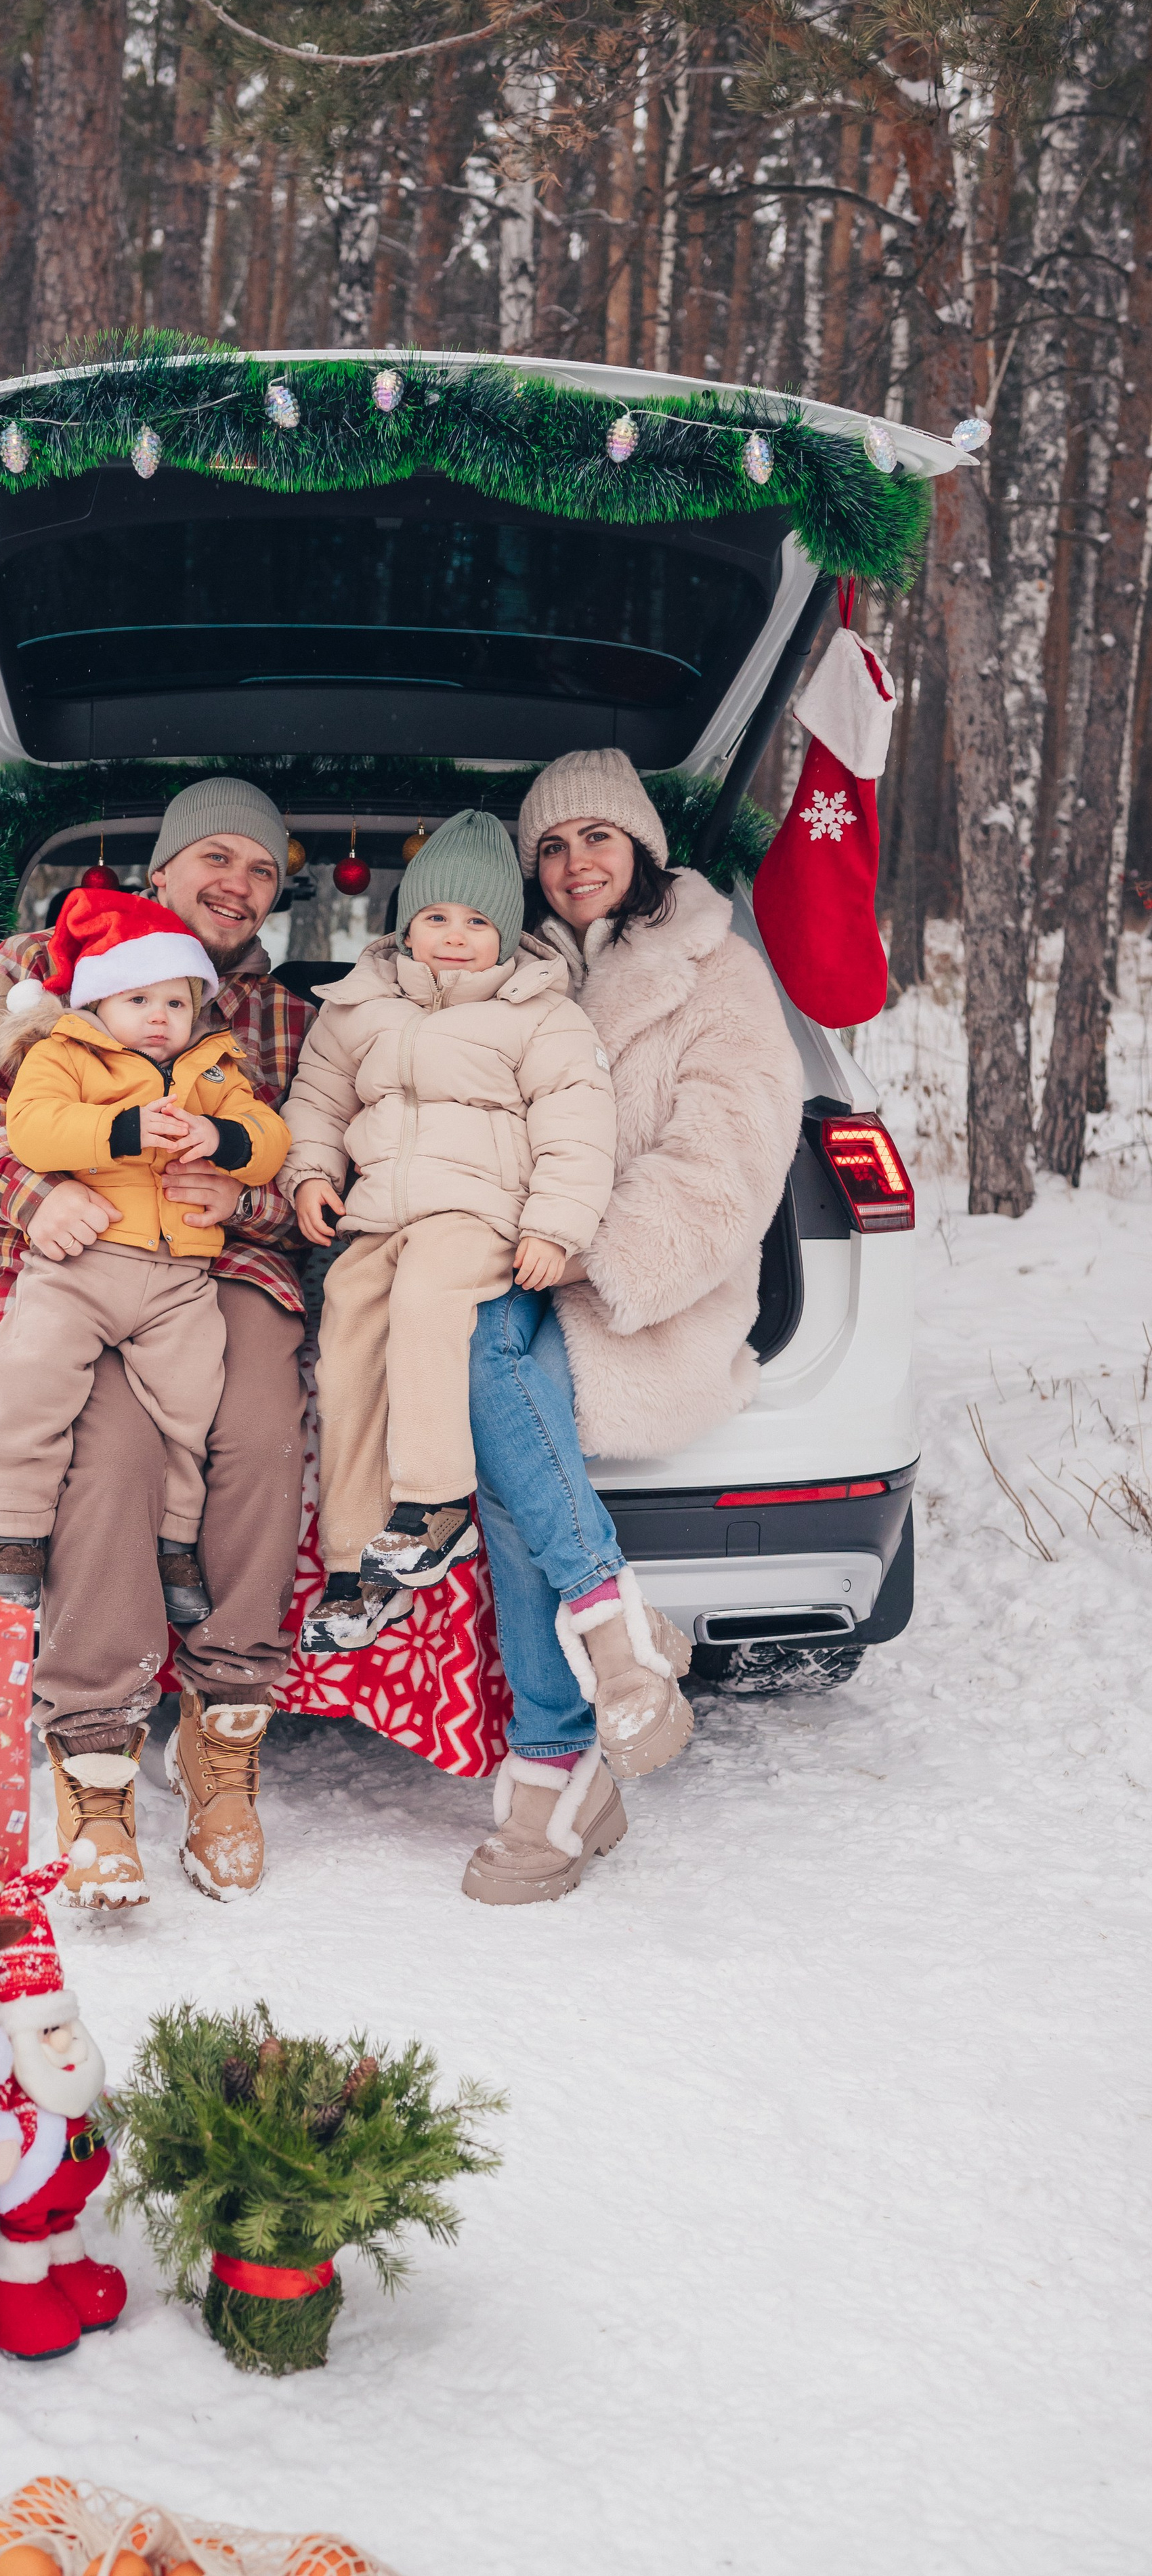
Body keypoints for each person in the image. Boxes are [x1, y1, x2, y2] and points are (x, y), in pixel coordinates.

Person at [0, 777, 312, 1911]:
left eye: (262, 872)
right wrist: (30, 1192)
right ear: (164, 867)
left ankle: (224, 1734)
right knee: (114, 1454)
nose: (237, 885)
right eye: (218, 859)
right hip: (63, 1252)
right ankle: (95, 1757)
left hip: (214, 1263)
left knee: (254, 1423)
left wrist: (245, 1194)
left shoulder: (278, 1016)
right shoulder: (42, 959)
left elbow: (312, 1167)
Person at [461, 748, 804, 1906]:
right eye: (549, 848)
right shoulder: (503, 975)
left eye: (595, 838)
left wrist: (599, 1256)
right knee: (485, 1363)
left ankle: (557, 1758)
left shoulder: (718, 969)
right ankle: (614, 1635)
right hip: (509, 1260)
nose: (573, 865)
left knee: (515, 1447)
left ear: (643, 845)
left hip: (651, 1286)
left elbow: (734, 1154)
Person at [278, 809, 616, 1651]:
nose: (455, 938)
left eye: (476, 922)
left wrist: (555, 1228)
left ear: (504, 934)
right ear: (405, 926)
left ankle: (432, 1505)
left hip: (478, 1214)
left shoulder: (540, 1015)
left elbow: (578, 1127)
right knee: (348, 1341)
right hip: (377, 1214)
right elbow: (316, 1101)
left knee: (429, 1304)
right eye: (435, 919)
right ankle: (359, 1566)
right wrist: (311, 1173)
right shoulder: (357, 1006)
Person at [0, 887, 291, 1623]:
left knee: (189, 1407)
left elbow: (268, 1136)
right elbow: (34, 1130)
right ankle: (12, 1530)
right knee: (33, 1376)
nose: (159, 1017)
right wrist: (121, 1129)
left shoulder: (215, 1069)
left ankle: (175, 1541)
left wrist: (224, 1141)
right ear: (97, 1004)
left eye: (176, 1003)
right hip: (82, 1266)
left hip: (180, 1279)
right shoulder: (66, 1054)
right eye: (138, 998)